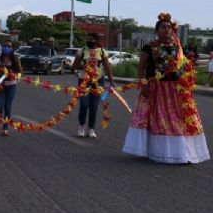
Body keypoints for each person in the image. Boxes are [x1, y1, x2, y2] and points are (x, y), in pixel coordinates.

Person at [122, 13, 209, 164]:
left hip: (176, 90)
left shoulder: (178, 48)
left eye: (169, 27)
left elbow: (185, 67)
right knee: (158, 121)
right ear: (157, 30)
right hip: (156, 89)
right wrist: (143, 85)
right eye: (163, 27)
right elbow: (141, 68)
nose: (167, 30)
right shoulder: (148, 48)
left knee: (181, 120)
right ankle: (159, 152)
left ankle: (182, 153)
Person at [72, 33, 114, 139]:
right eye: (88, 39)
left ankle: (91, 129)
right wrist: (85, 66)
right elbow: (75, 64)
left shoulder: (102, 52)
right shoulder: (82, 51)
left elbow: (107, 67)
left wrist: (111, 80)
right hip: (84, 81)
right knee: (84, 105)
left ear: (96, 40)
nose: (89, 41)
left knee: (94, 107)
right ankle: (82, 127)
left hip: (98, 81)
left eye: (91, 39)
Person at [0, 41, 22, 136]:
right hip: (0, 86)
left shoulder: (15, 59)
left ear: (12, 48)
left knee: (8, 107)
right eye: (5, 46)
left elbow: (20, 72)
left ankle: (5, 129)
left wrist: (14, 74)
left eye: (9, 46)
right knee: (0, 106)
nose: (6, 47)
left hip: (11, 85)